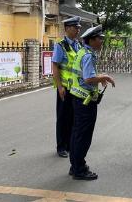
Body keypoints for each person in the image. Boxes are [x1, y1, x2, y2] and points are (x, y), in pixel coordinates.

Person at [69, 25, 115, 180]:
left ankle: (75, 165)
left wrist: (100, 76)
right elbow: (88, 78)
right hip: (85, 102)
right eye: (99, 39)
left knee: (76, 134)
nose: (101, 41)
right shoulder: (89, 55)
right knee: (83, 136)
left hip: (77, 98)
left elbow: (85, 75)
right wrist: (104, 77)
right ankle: (79, 169)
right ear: (92, 40)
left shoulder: (82, 52)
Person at [52, 16, 81, 158]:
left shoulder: (78, 45)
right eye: (76, 28)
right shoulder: (60, 45)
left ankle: (70, 144)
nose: (78, 30)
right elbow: (55, 66)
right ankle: (61, 146)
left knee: (73, 117)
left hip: (76, 89)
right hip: (64, 89)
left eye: (78, 28)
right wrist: (59, 87)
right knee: (63, 117)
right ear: (68, 28)